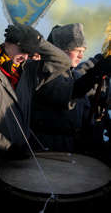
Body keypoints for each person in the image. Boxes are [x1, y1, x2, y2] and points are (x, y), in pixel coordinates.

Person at [0, 23, 72, 213]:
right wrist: (7, 145)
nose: (26, 56)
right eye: (22, 49)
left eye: (29, 51)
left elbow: (62, 62)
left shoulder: (28, 73)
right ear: (7, 44)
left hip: (20, 165)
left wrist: (37, 41)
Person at [31, 23, 111, 153]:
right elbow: (69, 93)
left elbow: (84, 113)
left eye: (83, 52)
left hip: (68, 150)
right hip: (45, 151)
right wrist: (96, 72)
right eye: (77, 51)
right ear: (61, 51)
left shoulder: (73, 75)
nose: (81, 56)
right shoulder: (45, 73)